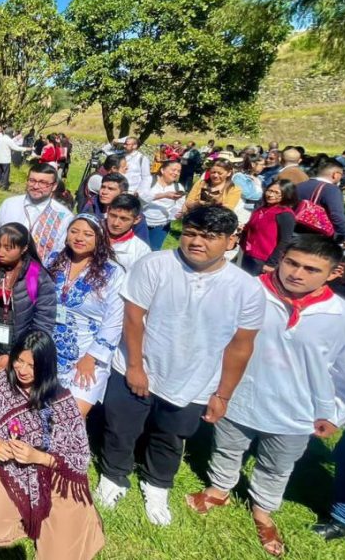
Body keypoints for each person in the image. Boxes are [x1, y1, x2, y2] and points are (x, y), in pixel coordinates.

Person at [185, 235, 345, 556]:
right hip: (239, 395)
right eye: (291, 262)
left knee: (278, 464)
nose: (297, 274)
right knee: (227, 445)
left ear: (335, 272)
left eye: (311, 269)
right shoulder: (247, 291)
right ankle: (219, 487)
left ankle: (263, 509)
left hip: (296, 411)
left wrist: (334, 414)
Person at [97, 206, 265, 526]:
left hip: (195, 379)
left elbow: (241, 346)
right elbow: (134, 318)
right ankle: (114, 476)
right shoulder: (155, 265)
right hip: (136, 366)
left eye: (209, 237)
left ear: (231, 241)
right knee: (121, 428)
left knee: (171, 435)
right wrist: (135, 366)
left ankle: (157, 484)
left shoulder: (246, 288)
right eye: (190, 233)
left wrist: (223, 395)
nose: (197, 242)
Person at [0, 331, 105, 558]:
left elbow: (78, 458)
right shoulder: (1, 384)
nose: (22, 370)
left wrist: (37, 457)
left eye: (31, 365)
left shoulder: (61, 402)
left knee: (58, 556)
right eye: (19, 361)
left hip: (54, 478)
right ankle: (32, 518)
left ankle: (82, 519)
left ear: (45, 366)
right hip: (13, 471)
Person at [46, 214, 126, 416]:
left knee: (69, 417)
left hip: (86, 352)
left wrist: (92, 357)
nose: (79, 238)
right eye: (74, 231)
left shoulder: (113, 272)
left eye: (88, 234)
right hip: (48, 345)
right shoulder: (54, 260)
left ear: (99, 239)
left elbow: (114, 321)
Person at [0, 223, 57, 372]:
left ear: (23, 249)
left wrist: (16, 355)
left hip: (21, 342)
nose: (0, 252)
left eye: (8, 248)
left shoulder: (38, 276)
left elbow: (43, 322)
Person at [0, 164, 75, 261]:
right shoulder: (10, 204)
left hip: (39, 272)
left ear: (54, 186)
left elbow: (60, 250)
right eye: (32, 181)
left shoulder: (63, 216)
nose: (36, 186)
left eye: (43, 183)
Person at [239, 180, 298, 276]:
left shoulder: (285, 214)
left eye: (276, 193)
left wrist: (271, 263)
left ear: (286, 195)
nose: (270, 195)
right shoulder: (261, 209)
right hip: (249, 254)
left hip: (263, 260)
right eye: (269, 191)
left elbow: (285, 241)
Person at [296, 160, 345, 246]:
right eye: (341, 175)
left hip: (294, 229)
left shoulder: (300, 185)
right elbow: (337, 215)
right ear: (335, 175)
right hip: (315, 235)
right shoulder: (331, 189)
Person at [138, 161, 187, 250]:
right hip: (140, 222)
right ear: (162, 170)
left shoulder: (179, 187)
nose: (176, 173)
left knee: (152, 251)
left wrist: (177, 213)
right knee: (136, 249)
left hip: (161, 226)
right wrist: (164, 195)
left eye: (179, 171)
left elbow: (179, 206)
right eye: (173, 170)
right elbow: (141, 196)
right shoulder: (149, 180)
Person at [106, 194, 151, 269]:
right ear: (107, 211)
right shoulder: (89, 230)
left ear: (136, 220)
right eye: (113, 215)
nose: (115, 223)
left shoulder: (141, 250)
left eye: (124, 219)